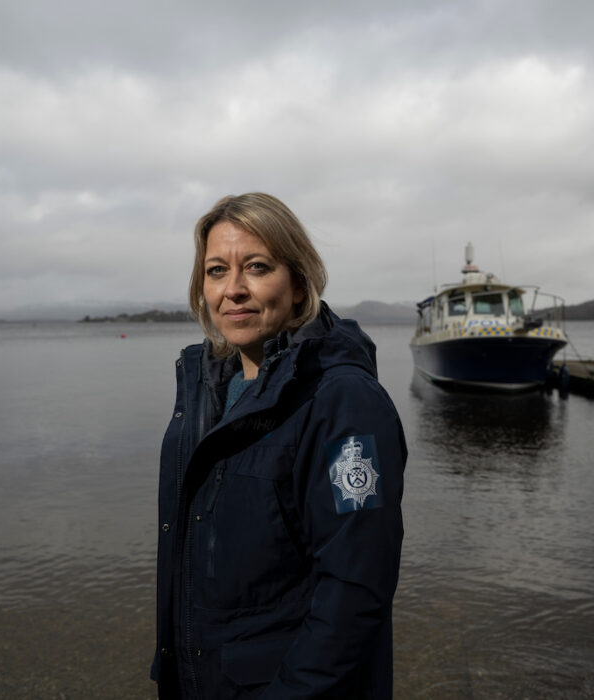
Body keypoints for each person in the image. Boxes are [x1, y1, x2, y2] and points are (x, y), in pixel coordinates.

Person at [152, 193, 406, 698]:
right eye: (217, 270)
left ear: (298, 283)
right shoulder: (207, 392)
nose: (234, 290)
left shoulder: (342, 401)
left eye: (258, 267)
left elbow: (355, 590)